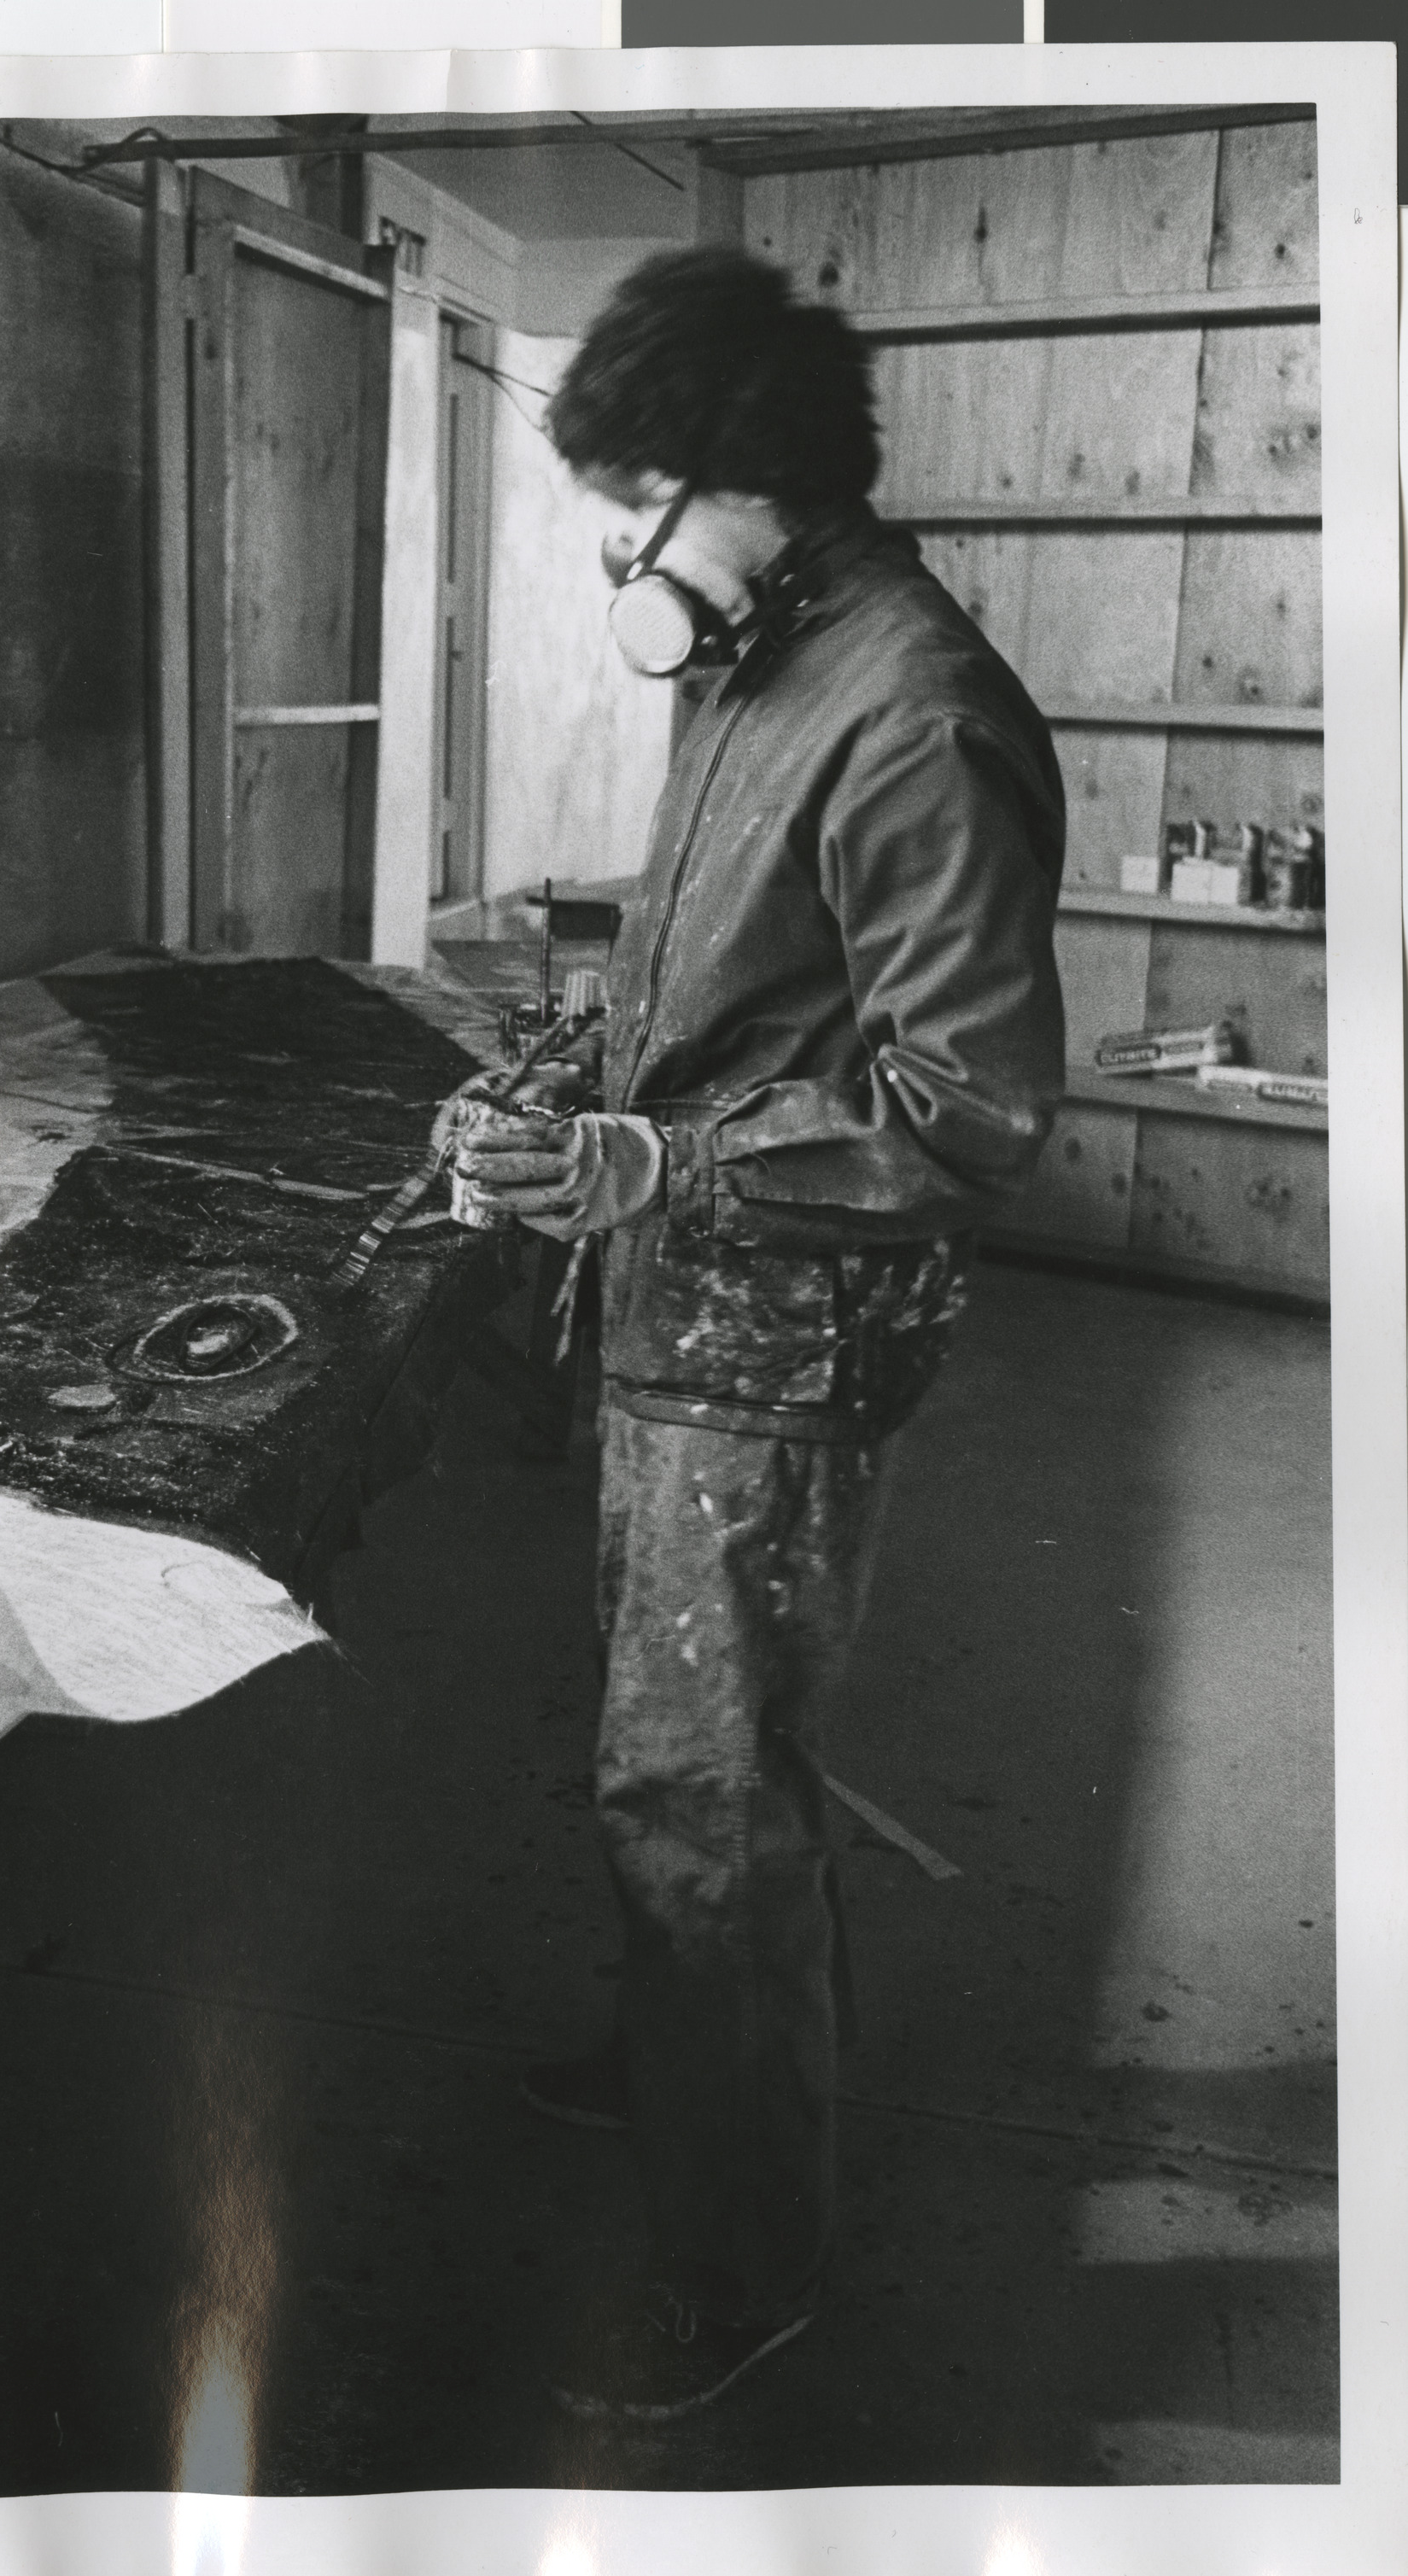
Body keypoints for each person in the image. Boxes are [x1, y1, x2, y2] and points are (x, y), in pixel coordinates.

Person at [451, 246, 1067, 2423]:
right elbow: (720, 982)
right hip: (676, 1308)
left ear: (753, 479)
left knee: (709, 1792)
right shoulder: (746, 659)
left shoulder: (911, 712)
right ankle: (670, 2062)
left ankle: (746, 2264)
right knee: (663, 1746)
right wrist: (559, 1071)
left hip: (778, 1339)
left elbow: (973, 1107)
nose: (622, 552)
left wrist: (658, 1171)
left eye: (634, 502)